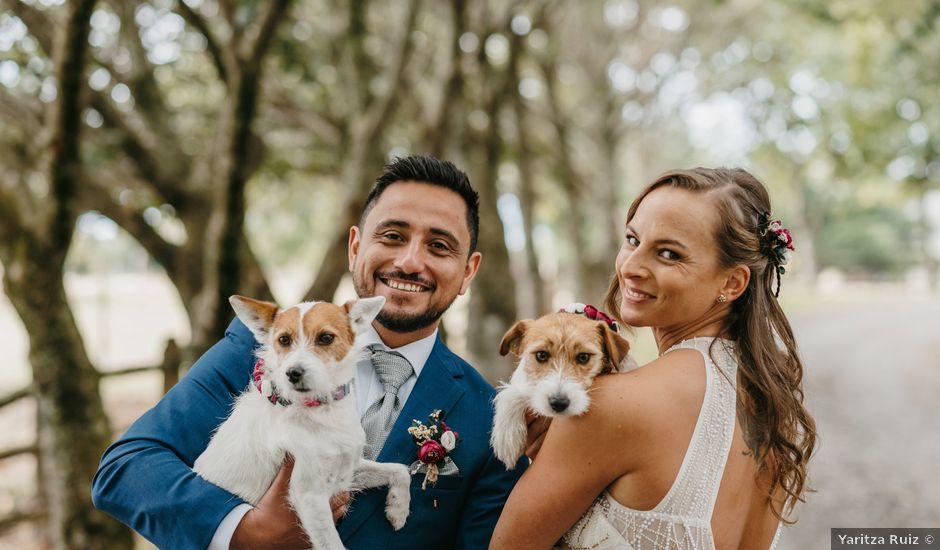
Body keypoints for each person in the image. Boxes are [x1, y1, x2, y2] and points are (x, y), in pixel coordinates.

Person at [92, 155, 526, 550]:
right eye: (392, 236)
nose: (411, 262)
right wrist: (246, 532)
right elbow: (126, 469)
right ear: (355, 247)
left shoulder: (487, 418)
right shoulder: (260, 348)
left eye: (439, 246)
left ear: (468, 271)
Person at [490, 167, 817, 549]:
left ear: (732, 282)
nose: (630, 267)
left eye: (668, 253)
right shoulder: (769, 400)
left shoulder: (608, 404)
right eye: (632, 239)